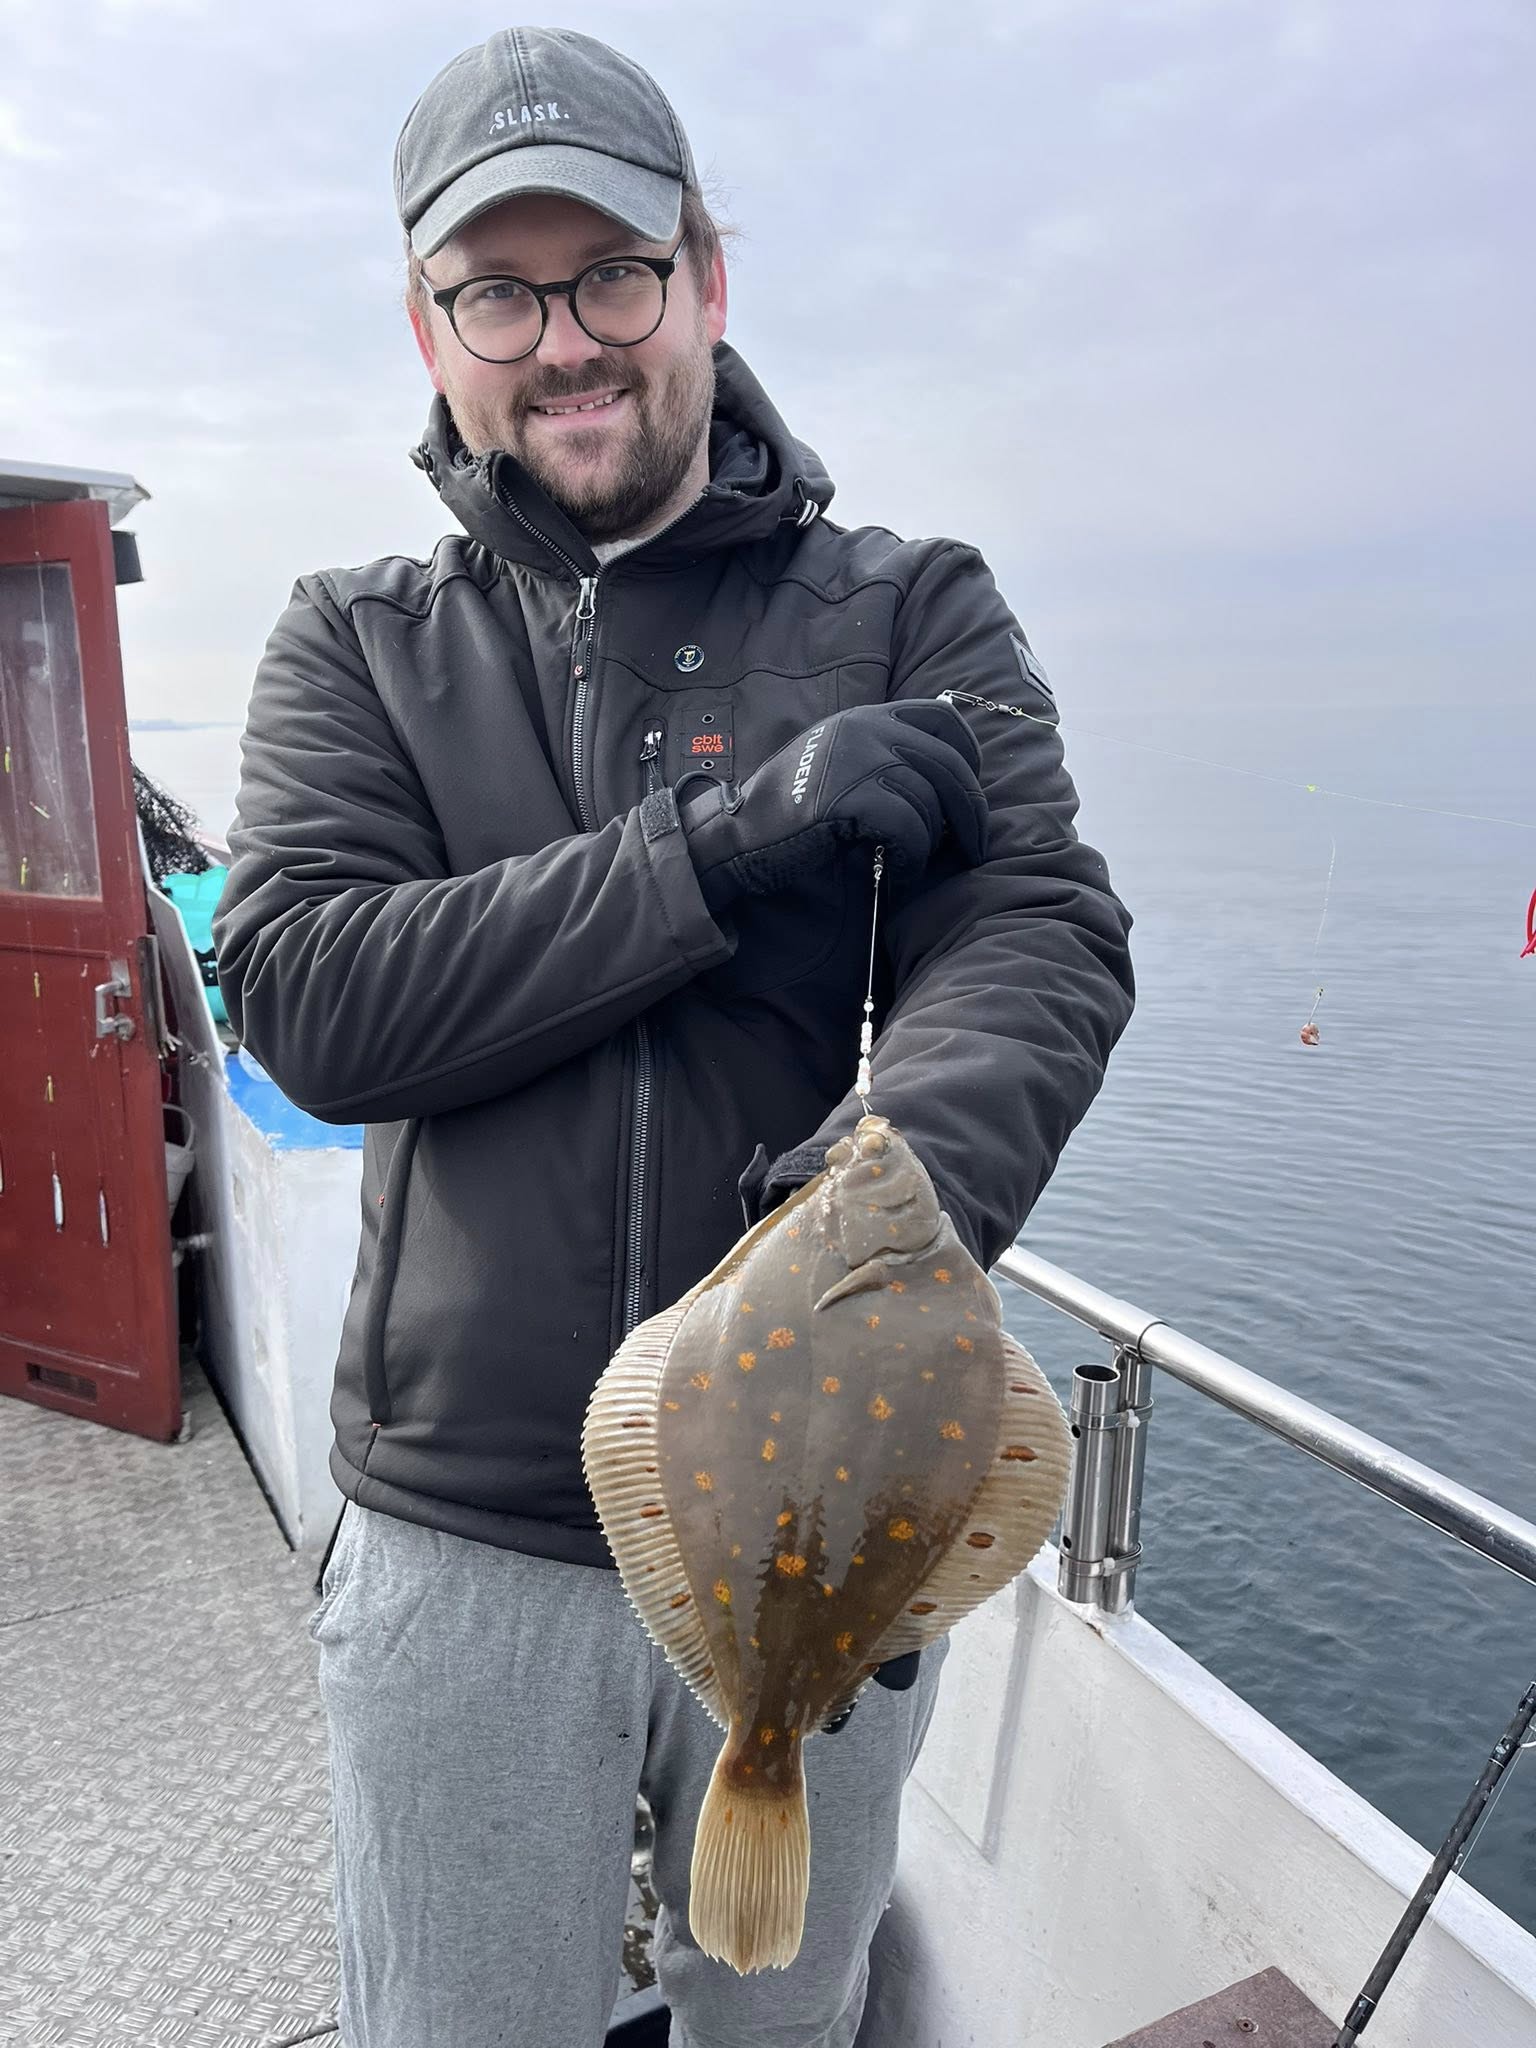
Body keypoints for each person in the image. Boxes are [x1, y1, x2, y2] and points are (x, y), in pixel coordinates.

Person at [214, 26, 1135, 2048]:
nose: (565, 342)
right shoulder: (358, 643)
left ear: (706, 276)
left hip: (833, 1511)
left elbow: (1038, 928)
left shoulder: (910, 612)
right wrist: (720, 846)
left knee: (787, 2020)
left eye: (614, 275)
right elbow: (316, 991)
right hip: (469, 1530)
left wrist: (898, 1194)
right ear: (428, 326)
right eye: (499, 292)